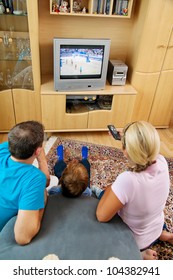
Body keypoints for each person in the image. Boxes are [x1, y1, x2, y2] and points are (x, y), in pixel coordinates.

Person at [93, 121, 173, 260]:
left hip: (136, 242)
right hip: (156, 227)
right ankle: (163, 234)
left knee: (99, 199)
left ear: (126, 150)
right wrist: (126, 136)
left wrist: (111, 189)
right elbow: (146, 145)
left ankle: (138, 256)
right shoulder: (162, 162)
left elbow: (101, 216)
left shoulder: (128, 180)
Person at [0, 121, 50, 245]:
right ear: (38, 151)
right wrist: (42, 161)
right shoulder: (34, 178)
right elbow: (22, 238)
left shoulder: (2, 148)